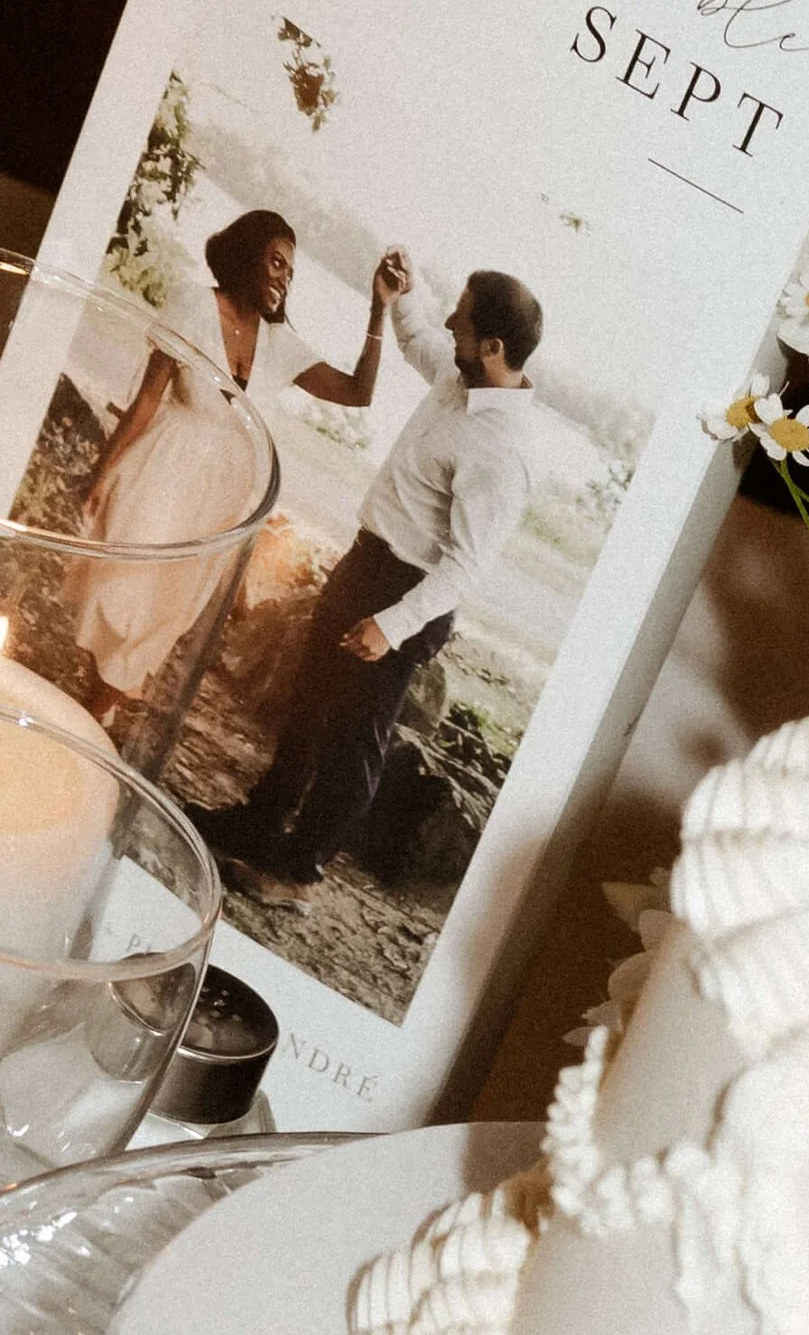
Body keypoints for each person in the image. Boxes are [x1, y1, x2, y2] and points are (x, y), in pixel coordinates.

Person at [204, 259, 541, 901]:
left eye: (462, 319)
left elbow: (466, 566)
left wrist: (391, 626)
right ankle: (259, 822)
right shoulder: (462, 375)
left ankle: (297, 874)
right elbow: (419, 339)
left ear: (494, 347)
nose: (450, 323)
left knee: (354, 741)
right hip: (366, 562)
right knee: (309, 704)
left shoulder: (505, 450)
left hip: (407, 594)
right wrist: (398, 295)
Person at [75, 207, 400, 728]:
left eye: (290, 272)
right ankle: (94, 707)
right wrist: (102, 472)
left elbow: (358, 392)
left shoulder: (279, 342)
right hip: (163, 469)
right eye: (276, 262)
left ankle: (91, 713)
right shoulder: (194, 303)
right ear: (247, 255)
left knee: (164, 613)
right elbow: (148, 399)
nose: (283, 278)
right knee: (121, 593)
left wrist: (379, 309)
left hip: (221, 499)